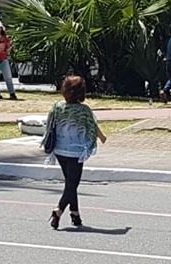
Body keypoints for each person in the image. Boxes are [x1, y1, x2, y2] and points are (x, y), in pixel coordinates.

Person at [45, 76, 107, 230]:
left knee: (70, 183)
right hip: (75, 152)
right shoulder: (84, 110)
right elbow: (92, 127)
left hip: (59, 150)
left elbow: (49, 126)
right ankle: (58, 210)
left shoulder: (57, 107)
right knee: (73, 183)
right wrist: (101, 137)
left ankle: (75, 214)